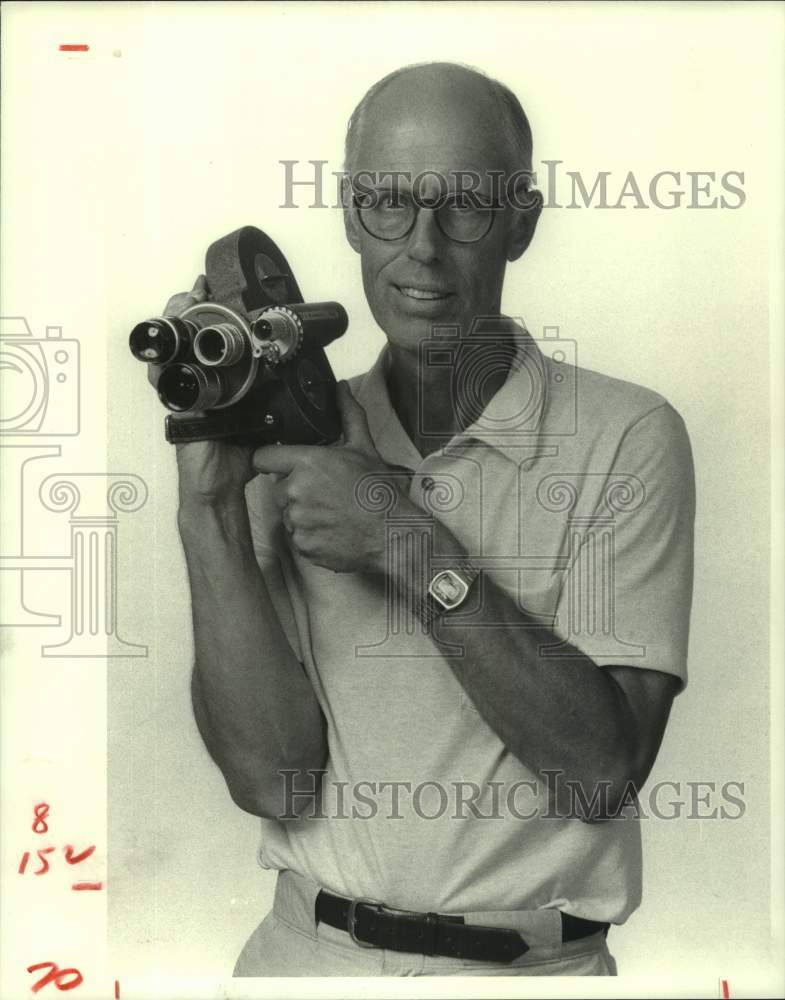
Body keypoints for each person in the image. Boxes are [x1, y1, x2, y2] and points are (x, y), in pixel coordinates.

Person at [168, 62, 695, 977]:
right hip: (305, 961)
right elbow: (269, 779)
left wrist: (403, 540)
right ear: (346, 213)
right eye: (387, 203)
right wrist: (209, 502)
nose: (422, 246)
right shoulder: (294, 444)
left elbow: (599, 774)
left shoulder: (628, 436)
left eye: (465, 207)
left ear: (521, 223)